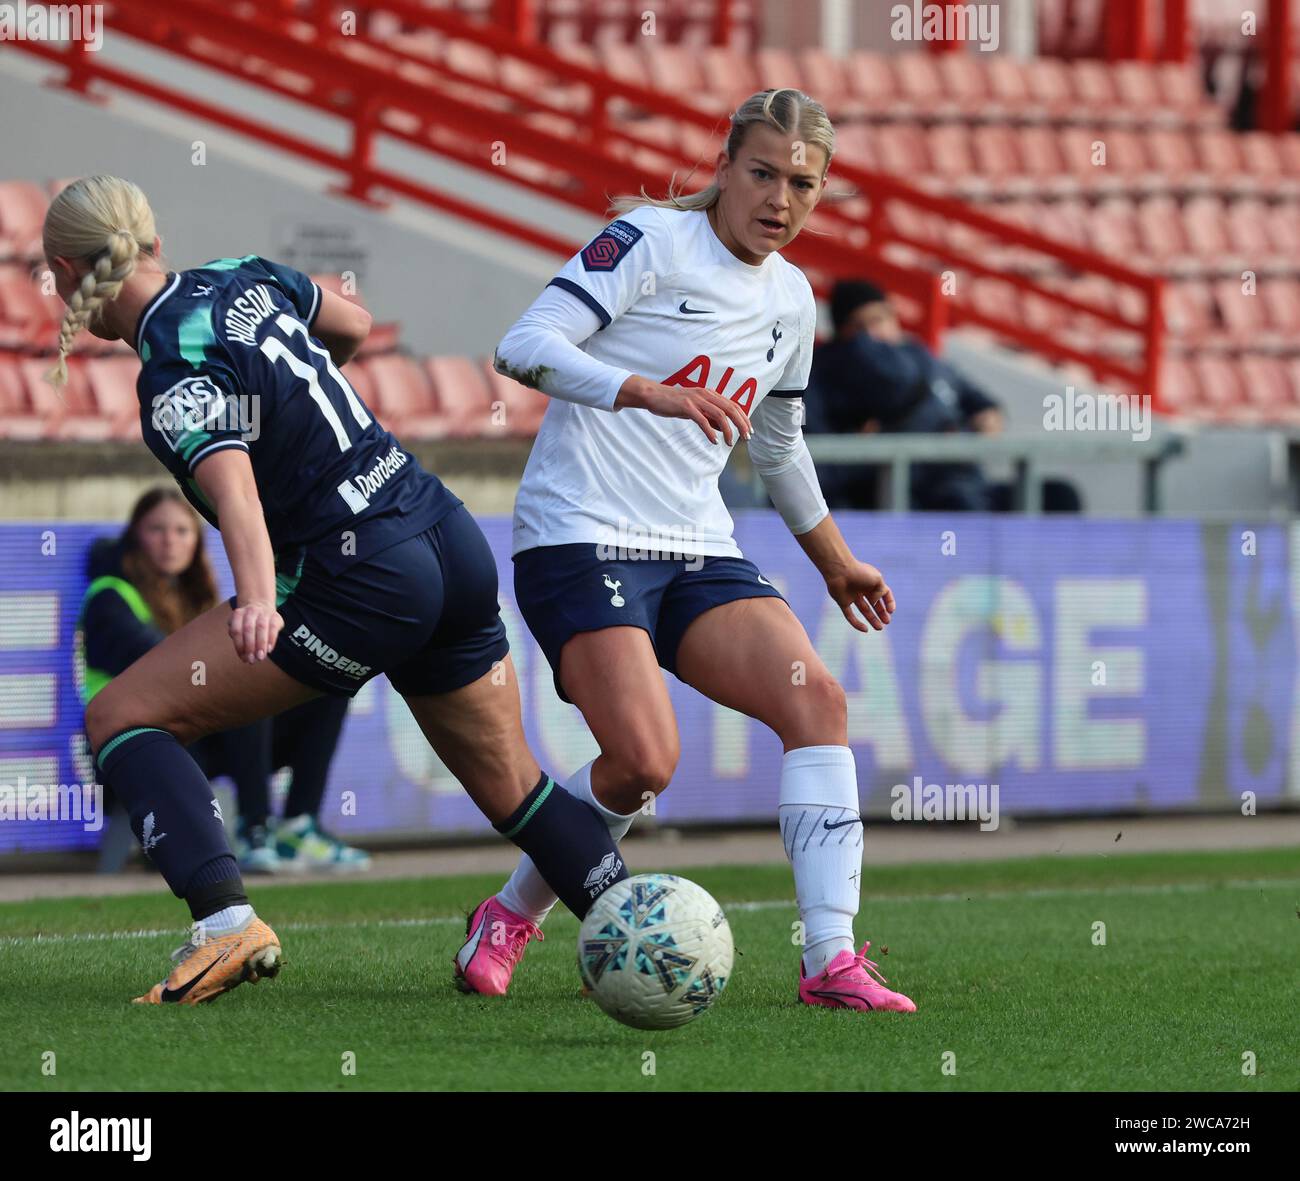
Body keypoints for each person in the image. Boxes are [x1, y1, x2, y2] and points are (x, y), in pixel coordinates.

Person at [44, 175, 629, 1005]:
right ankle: (641, 926)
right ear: (153, 241)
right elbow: (351, 324)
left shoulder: (174, 364)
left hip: (361, 572)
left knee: (120, 715)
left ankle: (224, 924)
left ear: (67, 273)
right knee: (517, 788)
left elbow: (238, 493)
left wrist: (255, 597)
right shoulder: (242, 273)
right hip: (444, 534)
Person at [465, 89, 915, 1012]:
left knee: (819, 703)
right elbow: (521, 347)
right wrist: (644, 390)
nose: (778, 199)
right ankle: (511, 911)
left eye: (802, 183)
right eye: (761, 173)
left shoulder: (791, 299)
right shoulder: (648, 244)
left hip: (696, 545)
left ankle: (830, 960)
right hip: (581, 530)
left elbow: (778, 444)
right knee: (641, 763)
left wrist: (835, 559)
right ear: (723, 167)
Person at [77, 488, 368, 876]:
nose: (169, 541)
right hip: (133, 747)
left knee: (326, 687)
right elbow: (166, 669)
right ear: (135, 535)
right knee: (246, 682)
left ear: (196, 541)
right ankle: (255, 828)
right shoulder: (109, 598)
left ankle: (297, 825)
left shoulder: (195, 598)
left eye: (182, 531)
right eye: (157, 530)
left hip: (196, 735)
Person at [809, 280, 1081, 512]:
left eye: (878, 320)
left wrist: (987, 417)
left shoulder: (921, 356)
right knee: (960, 507)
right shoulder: (827, 375)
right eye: (859, 327)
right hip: (912, 496)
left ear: (894, 318)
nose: (872, 335)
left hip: (968, 481)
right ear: (841, 334)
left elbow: (980, 401)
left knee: (1060, 497)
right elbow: (824, 467)